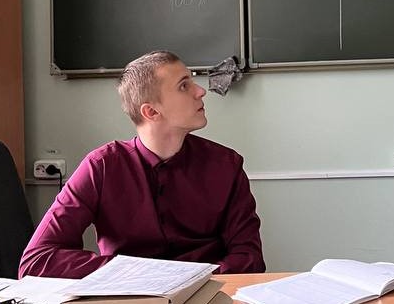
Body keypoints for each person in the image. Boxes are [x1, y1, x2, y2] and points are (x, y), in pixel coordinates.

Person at [19, 51, 265, 278]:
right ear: (151, 112)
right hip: (129, 295)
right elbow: (36, 261)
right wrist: (141, 273)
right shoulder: (101, 167)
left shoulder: (226, 165)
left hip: (208, 293)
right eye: (184, 86)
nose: (200, 91)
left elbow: (249, 259)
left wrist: (190, 278)